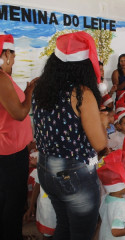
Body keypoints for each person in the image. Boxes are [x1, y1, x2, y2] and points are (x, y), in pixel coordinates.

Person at [32, 31, 108, 239]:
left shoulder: (40, 87)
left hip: (46, 168)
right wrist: (103, 122)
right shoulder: (82, 93)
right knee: (82, 233)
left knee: (64, 227)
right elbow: (100, 143)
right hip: (74, 174)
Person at [0, 34, 37, 239]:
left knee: (9, 201)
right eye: (12, 55)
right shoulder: (1, 79)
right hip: (9, 154)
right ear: (5, 54)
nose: (14, 59)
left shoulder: (5, 79)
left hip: (12, 150)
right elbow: (20, 113)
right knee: (12, 204)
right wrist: (30, 91)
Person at [97, 149, 125, 240]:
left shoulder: (105, 197)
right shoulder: (120, 205)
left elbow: (114, 219)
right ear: (120, 186)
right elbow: (115, 232)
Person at [24, 169, 56, 239]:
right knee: (47, 234)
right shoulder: (43, 162)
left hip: (62, 210)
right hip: (47, 209)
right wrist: (31, 207)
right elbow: (37, 184)